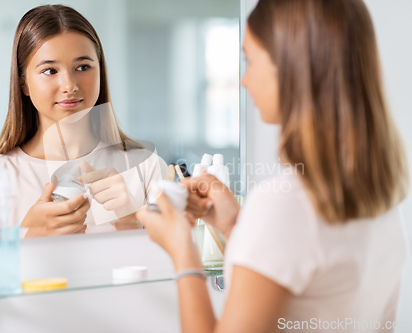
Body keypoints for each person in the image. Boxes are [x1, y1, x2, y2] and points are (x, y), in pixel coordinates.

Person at [137, 0, 409, 332]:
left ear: (293, 67)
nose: (244, 80)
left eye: (250, 60)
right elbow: (312, 286)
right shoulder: (377, 202)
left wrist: (182, 247)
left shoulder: (284, 205)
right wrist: (237, 224)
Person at [0, 5, 166, 238]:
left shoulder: (146, 168)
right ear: (23, 83)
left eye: (83, 67)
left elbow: (180, 266)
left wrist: (132, 224)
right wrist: (28, 235)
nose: (69, 85)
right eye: (49, 71)